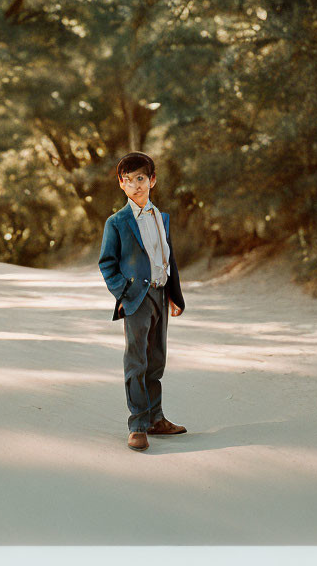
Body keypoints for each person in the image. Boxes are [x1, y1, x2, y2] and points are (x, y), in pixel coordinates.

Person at [98, 152, 187, 451]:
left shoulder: (162, 218)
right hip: (137, 298)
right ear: (120, 184)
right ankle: (138, 424)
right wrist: (123, 293)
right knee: (136, 361)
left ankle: (156, 419)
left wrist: (174, 294)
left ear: (153, 180)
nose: (136, 185)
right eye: (129, 180)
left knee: (156, 360)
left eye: (141, 178)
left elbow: (167, 258)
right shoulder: (117, 222)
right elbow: (107, 263)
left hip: (161, 294)